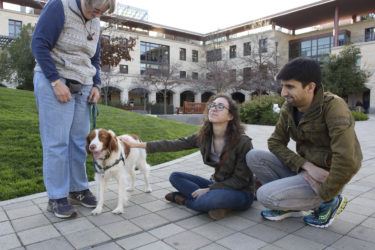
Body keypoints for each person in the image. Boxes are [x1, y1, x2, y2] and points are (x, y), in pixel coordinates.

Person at [246, 57, 362, 228]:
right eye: (283, 86)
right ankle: (290, 208)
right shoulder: (289, 108)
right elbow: (275, 142)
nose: (283, 93)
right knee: (254, 156)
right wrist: (305, 166)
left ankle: (329, 203)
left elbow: (347, 159)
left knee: (265, 196)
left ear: (310, 87)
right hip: (307, 170)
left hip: (326, 178)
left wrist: (327, 192)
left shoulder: (333, 107)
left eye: (290, 86)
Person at [31, 0, 116, 219]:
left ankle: (77, 189)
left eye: (102, 12)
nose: (97, 15)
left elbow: (94, 58)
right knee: (57, 143)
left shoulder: (95, 22)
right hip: (55, 80)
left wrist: (96, 84)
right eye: (95, 9)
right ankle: (56, 197)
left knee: (80, 143)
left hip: (84, 86)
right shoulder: (59, 6)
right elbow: (39, 44)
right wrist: (54, 81)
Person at [121, 94, 254, 220]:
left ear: (230, 116)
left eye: (220, 106)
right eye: (212, 105)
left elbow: (240, 180)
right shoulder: (205, 136)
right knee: (175, 176)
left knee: (208, 199)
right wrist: (137, 145)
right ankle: (212, 205)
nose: (214, 109)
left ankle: (183, 199)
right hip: (218, 185)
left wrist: (208, 189)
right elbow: (174, 144)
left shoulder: (243, 142)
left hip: (240, 192)